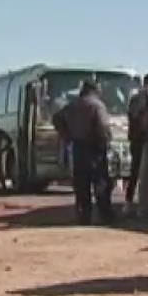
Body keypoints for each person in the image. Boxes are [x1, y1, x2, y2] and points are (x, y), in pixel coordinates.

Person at [52, 81, 114, 224]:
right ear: (94, 90)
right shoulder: (97, 105)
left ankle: (83, 216)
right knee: (100, 182)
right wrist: (105, 142)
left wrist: (66, 136)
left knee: (81, 184)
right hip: (95, 147)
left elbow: (56, 118)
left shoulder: (72, 105)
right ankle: (105, 215)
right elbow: (103, 126)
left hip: (78, 146)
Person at [126, 74, 148, 211]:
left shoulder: (135, 98)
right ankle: (141, 206)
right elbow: (144, 118)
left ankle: (129, 203)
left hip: (136, 139)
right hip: (144, 140)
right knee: (144, 173)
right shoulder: (146, 97)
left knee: (135, 172)